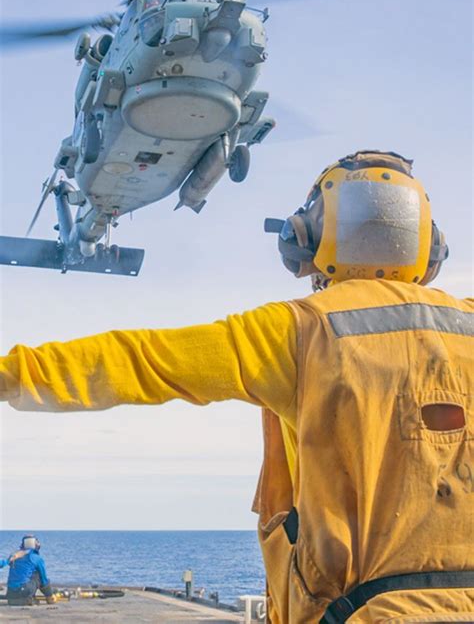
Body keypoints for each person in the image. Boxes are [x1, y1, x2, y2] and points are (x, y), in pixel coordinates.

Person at [0, 151, 472, 622]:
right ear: (430, 247)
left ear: (305, 238)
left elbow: (139, 360)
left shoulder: (298, 332)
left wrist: (11, 375)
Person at [0, 535, 55, 605]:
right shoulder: (36, 558)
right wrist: (49, 594)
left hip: (11, 592)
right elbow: (44, 579)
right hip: (24, 590)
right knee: (38, 575)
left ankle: (18, 599)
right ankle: (48, 597)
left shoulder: (14, 556)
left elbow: (4, 563)